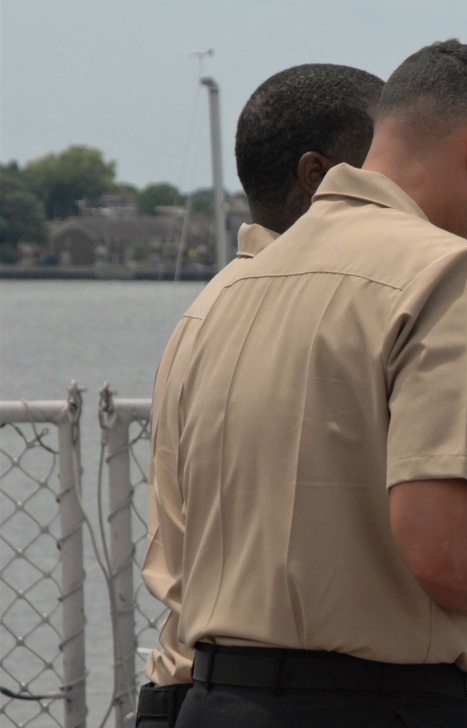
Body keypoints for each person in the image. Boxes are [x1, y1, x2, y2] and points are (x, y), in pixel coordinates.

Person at [144, 39, 467, 728]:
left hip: (210, 699)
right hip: (374, 705)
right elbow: (445, 552)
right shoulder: (456, 276)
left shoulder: (227, 292)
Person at [137, 62, 384, 727]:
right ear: (316, 177)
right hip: (278, 693)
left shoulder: (209, 310)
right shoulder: (327, 313)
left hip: (190, 686)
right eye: (382, 161)